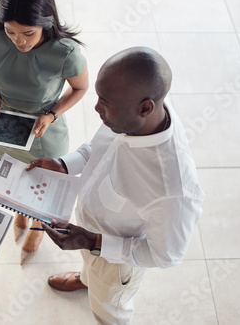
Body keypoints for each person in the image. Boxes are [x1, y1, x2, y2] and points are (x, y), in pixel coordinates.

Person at [26, 47, 205, 324]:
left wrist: (93, 242)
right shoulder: (126, 114)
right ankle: (86, 279)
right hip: (88, 235)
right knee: (91, 269)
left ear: (145, 107)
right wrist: (64, 165)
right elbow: (95, 150)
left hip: (116, 262)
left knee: (109, 310)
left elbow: (166, 255)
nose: (96, 108)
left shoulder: (172, 189)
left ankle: (99, 292)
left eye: (104, 103)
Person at [0, 0, 89, 263]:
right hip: (5, 125)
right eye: (11, 32)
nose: (19, 41)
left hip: (44, 130)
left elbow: (81, 88)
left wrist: (52, 115)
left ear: (46, 22)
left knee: (42, 182)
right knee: (12, 175)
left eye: (28, 32)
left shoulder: (65, 52)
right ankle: (19, 211)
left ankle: (38, 224)